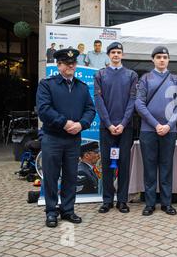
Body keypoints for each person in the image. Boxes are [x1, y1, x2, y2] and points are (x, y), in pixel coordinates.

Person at [36, 48, 96, 228]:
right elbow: (44, 109)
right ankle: (52, 212)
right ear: (59, 65)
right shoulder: (47, 84)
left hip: (73, 139)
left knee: (71, 175)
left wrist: (81, 125)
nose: (71, 66)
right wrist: (65, 123)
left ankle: (68, 210)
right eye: (66, 63)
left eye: (73, 63)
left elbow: (90, 110)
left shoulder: (82, 87)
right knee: (51, 176)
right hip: (52, 138)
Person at [135, 46, 177, 216]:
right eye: (159, 57)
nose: (162, 60)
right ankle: (149, 203)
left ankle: (166, 203)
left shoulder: (176, 79)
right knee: (149, 167)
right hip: (149, 130)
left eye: (165, 57)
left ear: (168, 60)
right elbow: (139, 104)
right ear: (153, 60)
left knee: (166, 167)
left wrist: (169, 125)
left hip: (169, 131)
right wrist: (156, 124)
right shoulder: (146, 78)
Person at [94, 42, 138, 214]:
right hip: (107, 128)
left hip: (125, 128)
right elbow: (99, 102)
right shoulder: (100, 75)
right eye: (113, 52)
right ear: (108, 55)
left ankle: (122, 200)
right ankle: (107, 200)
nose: (116, 55)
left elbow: (132, 101)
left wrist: (123, 123)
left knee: (124, 164)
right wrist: (109, 124)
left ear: (123, 55)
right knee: (107, 164)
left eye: (119, 52)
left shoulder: (131, 75)